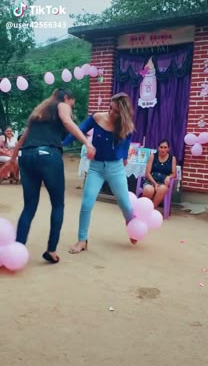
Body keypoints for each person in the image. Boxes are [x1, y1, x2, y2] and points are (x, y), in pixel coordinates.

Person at [0, 88, 95, 263]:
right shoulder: (61, 105)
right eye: (71, 103)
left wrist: (12, 160)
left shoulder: (39, 112)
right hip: (48, 156)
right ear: (66, 98)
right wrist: (87, 142)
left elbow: (22, 139)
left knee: (29, 206)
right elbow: (67, 122)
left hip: (26, 157)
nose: (71, 107)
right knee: (58, 205)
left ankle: (17, 249)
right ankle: (51, 250)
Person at [64, 92, 137, 254]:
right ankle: (82, 240)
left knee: (125, 204)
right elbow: (78, 130)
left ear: (123, 114)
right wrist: (62, 144)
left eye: (116, 111)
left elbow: (126, 146)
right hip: (96, 168)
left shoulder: (127, 126)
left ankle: (133, 229)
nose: (111, 113)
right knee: (86, 204)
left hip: (115, 169)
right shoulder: (97, 118)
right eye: (110, 108)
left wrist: (124, 156)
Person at [142, 139, 176, 208]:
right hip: (151, 181)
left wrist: (168, 177)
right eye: (161, 147)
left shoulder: (172, 158)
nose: (163, 149)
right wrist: (155, 184)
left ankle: (152, 209)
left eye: (165, 147)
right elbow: (147, 173)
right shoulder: (153, 156)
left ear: (168, 149)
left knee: (163, 188)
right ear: (158, 148)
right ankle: (144, 208)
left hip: (163, 183)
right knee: (148, 190)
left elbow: (174, 173)